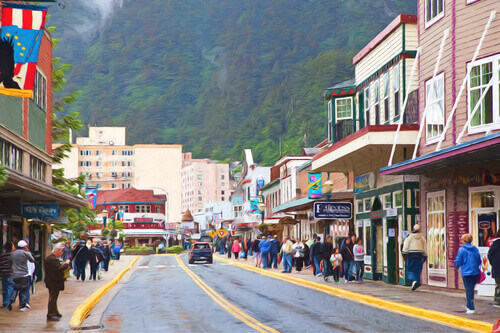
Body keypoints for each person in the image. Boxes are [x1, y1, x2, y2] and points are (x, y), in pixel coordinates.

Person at [455, 233, 482, 314]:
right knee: (471, 289)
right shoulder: (475, 249)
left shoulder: (461, 249)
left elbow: (459, 260)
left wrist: (457, 266)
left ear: (463, 240)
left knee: (468, 289)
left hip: (466, 272)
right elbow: (479, 260)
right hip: (475, 272)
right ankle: (469, 305)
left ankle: (470, 307)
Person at [44, 243, 71, 321]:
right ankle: (51, 314)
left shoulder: (52, 258)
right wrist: (66, 264)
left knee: (54, 297)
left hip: (54, 281)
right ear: (57, 251)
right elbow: (58, 269)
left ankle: (55, 312)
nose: (62, 253)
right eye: (61, 251)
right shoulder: (52, 259)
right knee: (52, 298)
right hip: (53, 281)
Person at [8, 240, 34, 311]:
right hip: (24, 274)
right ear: (24, 247)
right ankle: (22, 305)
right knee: (24, 290)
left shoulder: (12, 253)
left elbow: (9, 262)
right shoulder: (25, 253)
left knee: (15, 288)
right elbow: (32, 260)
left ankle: (11, 299)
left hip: (15, 274)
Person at [402, 224, 427, 291]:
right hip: (420, 254)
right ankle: (416, 281)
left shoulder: (409, 237)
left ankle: (414, 281)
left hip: (411, 254)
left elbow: (405, 246)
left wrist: (404, 253)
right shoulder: (422, 237)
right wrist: (425, 255)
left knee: (410, 269)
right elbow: (425, 246)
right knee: (418, 269)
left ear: (413, 229)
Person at [487, 230, 500, 308]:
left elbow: (490, 255)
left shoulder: (495, 243)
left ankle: (497, 301)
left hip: (497, 268)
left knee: (498, 285)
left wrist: (494, 264)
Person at [0, 242, 14, 308]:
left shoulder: (2, 256)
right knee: (10, 288)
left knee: (5, 289)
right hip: (10, 275)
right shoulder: (12, 256)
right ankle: (8, 303)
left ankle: (5, 303)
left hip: (3, 275)